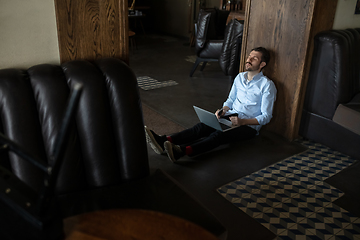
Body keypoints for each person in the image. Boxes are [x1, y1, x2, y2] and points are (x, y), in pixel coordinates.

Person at [145, 47, 277, 162]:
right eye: (249, 56)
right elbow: (230, 100)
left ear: (262, 64)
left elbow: (266, 116)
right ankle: (164, 140)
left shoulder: (267, 85)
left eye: (254, 58)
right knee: (202, 127)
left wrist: (242, 122)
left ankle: (182, 151)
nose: (249, 59)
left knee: (218, 136)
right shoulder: (239, 77)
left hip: (248, 127)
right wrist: (223, 110)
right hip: (230, 116)